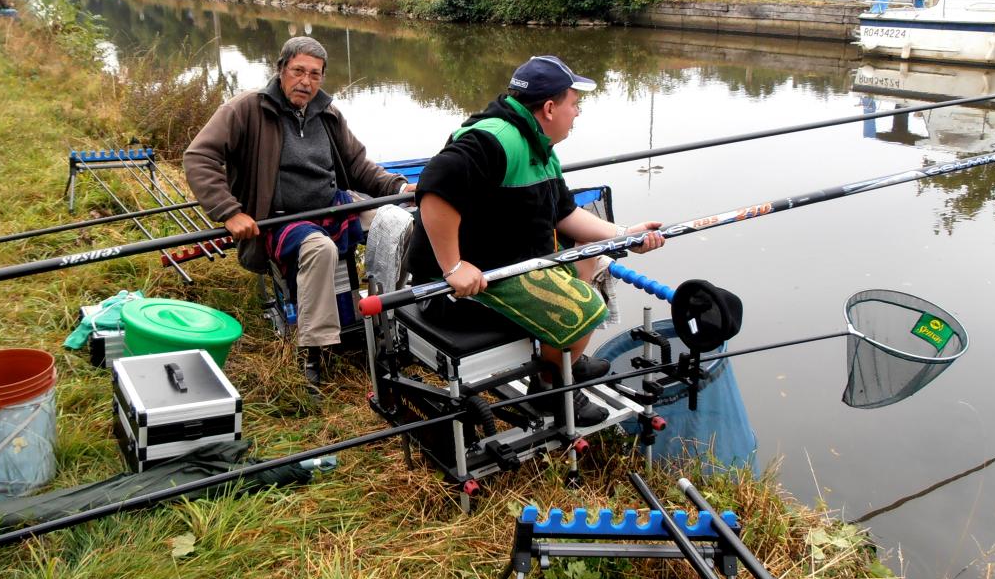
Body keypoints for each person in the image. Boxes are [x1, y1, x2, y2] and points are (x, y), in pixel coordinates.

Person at [405, 55, 664, 426]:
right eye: (574, 104)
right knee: (588, 309)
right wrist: (454, 266)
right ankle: (550, 390)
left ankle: (564, 361)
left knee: (589, 254)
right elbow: (433, 190)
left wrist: (625, 235)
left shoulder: (539, 146)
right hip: (454, 290)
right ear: (548, 108)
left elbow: (565, 213)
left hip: (510, 264)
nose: (577, 113)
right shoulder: (495, 139)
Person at [185, 36, 412, 391]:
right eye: (298, 72)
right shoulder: (246, 108)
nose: (306, 82)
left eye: (315, 75)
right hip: (280, 217)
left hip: (333, 204)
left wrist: (400, 189)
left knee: (399, 224)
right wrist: (229, 211)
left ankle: (384, 314)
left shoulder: (328, 113)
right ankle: (315, 350)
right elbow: (199, 157)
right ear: (280, 70)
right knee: (319, 249)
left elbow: (358, 166)